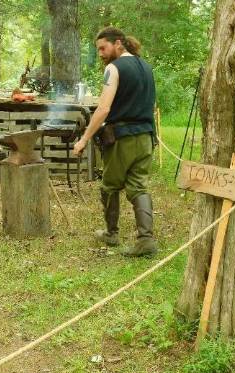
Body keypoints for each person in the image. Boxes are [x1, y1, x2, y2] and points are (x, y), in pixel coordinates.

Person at [73, 26, 158, 257]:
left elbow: (103, 108)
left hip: (124, 139)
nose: (100, 53)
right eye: (98, 49)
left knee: (110, 186)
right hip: (146, 137)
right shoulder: (146, 68)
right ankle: (146, 239)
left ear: (118, 43)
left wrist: (84, 139)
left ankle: (111, 234)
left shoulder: (114, 68)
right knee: (138, 186)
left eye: (103, 47)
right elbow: (149, 105)